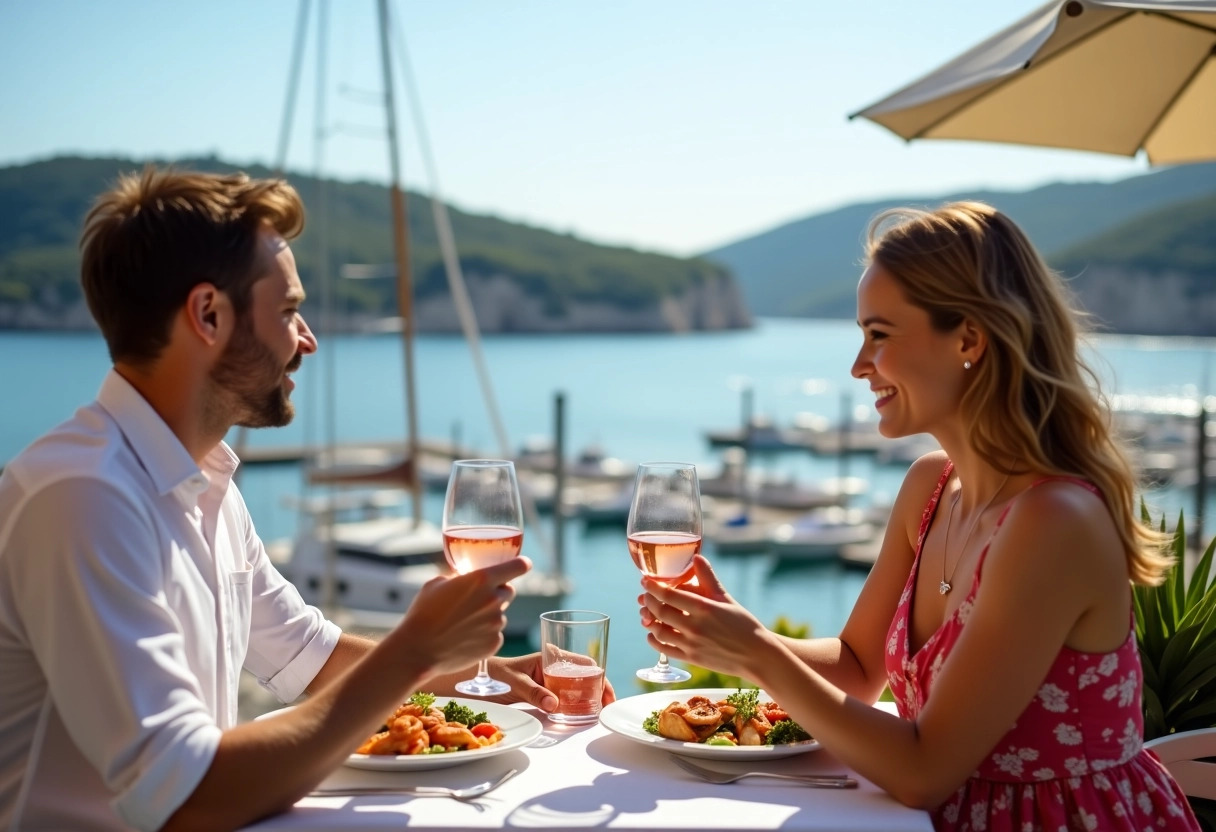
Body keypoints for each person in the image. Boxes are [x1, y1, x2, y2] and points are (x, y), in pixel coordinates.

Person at [0, 167, 610, 832]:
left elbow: (308, 657)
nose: (308, 339)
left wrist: (467, 675)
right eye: (289, 311)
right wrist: (415, 650)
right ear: (208, 315)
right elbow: (186, 797)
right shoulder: (84, 497)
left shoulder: (199, 483)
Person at [639, 202, 1200, 831]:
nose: (858, 364)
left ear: (968, 338)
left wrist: (760, 658)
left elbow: (922, 771)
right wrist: (745, 638)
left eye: (879, 334)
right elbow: (857, 667)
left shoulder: (1054, 520)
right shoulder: (931, 486)